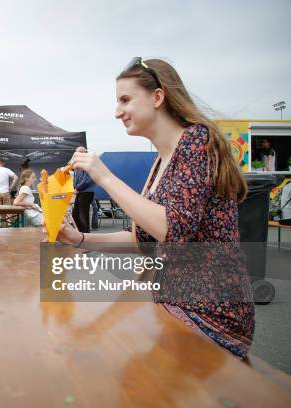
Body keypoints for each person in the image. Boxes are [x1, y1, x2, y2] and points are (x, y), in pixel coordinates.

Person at [56, 57, 253, 358]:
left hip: (210, 316)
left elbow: (172, 230)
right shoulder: (161, 160)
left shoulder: (197, 141)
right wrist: (79, 239)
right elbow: (143, 238)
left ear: (158, 97)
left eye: (125, 99)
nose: (117, 112)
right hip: (172, 305)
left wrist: (104, 176)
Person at [72, 147, 96, 233]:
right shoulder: (78, 164)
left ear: (83, 153)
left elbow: (88, 180)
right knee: (75, 215)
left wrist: (77, 188)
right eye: (75, 152)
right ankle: (80, 233)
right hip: (79, 192)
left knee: (83, 215)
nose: (76, 154)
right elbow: (76, 177)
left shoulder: (88, 163)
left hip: (86, 192)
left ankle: (85, 235)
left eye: (77, 152)